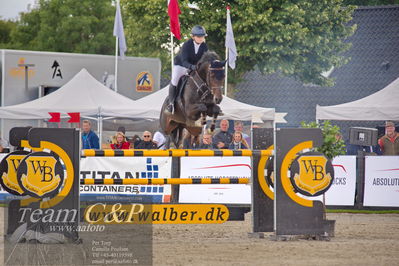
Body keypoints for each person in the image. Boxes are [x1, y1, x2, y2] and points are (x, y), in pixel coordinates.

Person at [166, 25, 209, 114]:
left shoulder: (204, 46)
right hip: (181, 65)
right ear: (193, 36)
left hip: (195, 67)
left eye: (202, 36)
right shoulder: (187, 45)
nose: (201, 38)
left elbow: (206, 59)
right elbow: (184, 61)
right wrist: (192, 67)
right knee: (174, 80)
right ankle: (171, 103)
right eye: (199, 36)